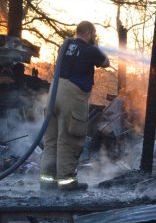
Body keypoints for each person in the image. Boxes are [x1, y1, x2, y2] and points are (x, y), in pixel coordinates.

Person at [40, 21, 110, 192]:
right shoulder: (91, 50)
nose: (94, 37)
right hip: (71, 97)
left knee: (51, 139)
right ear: (89, 33)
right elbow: (106, 62)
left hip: (53, 94)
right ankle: (67, 182)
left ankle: (47, 180)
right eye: (93, 34)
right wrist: (96, 46)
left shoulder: (66, 45)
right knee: (69, 138)